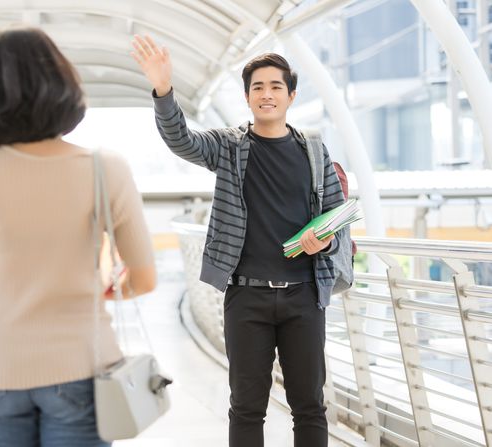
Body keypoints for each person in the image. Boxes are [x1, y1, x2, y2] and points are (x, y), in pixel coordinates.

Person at [0, 13, 156, 447]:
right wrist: (95, 284)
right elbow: (143, 279)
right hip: (81, 366)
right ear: (61, 79)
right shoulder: (107, 169)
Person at [131, 35, 351, 447]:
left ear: (291, 95)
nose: (266, 94)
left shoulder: (315, 152)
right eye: (257, 87)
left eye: (275, 87)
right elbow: (182, 140)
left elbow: (337, 223)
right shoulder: (229, 147)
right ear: (248, 96)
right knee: (247, 407)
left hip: (304, 298)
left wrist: (325, 242)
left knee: (310, 406)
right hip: (246, 298)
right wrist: (163, 89)